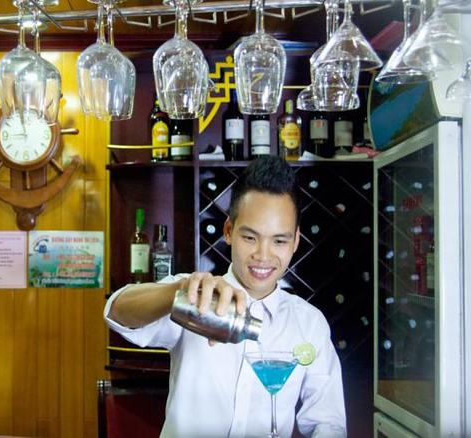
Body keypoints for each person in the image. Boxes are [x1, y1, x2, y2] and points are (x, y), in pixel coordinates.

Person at [104, 156, 346, 437]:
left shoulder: (309, 324)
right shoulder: (194, 295)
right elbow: (117, 310)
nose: (263, 255)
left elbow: (328, 422)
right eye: (250, 237)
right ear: (229, 231)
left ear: (295, 242)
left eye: (279, 240)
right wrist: (178, 291)